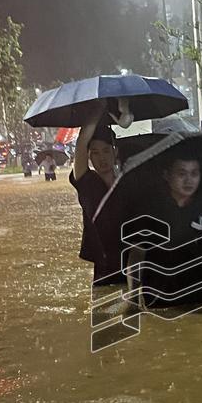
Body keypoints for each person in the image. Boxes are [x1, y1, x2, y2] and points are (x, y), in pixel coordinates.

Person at [130, 157, 202, 309]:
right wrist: (133, 298)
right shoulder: (151, 208)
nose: (189, 180)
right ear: (167, 175)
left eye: (194, 173)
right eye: (182, 174)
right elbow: (137, 254)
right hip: (162, 297)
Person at [70, 117, 124, 287]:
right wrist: (95, 113)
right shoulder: (88, 183)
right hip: (104, 267)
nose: (102, 158)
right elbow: (80, 145)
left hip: (132, 261)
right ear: (89, 156)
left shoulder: (127, 181)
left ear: (115, 152)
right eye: (95, 152)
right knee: (106, 311)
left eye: (106, 151)